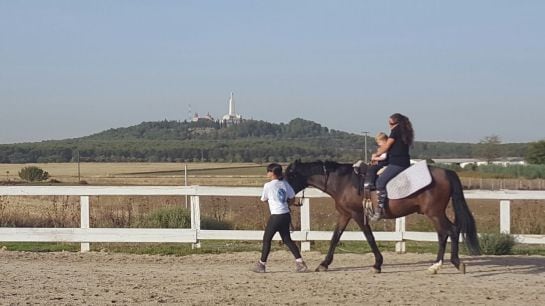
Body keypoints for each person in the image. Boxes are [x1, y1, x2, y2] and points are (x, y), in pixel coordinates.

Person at [253, 163, 308, 273]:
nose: (267, 173)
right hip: (286, 215)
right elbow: (292, 198)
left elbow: (263, 199)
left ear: (272, 173)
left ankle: (262, 264)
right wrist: (286, 204)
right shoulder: (285, 184)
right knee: (287, 239)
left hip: (276, 216)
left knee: (267, 240)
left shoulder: (268, 186)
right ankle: (300, 262)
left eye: (268, 171)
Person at [371, 113, 414, 221]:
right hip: (402, 162)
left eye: (390, 123)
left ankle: (379, 210)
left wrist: (376, 154)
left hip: (397, 163)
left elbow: (387, 146)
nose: (389, 125)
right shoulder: (403, 131)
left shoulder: (396, 131)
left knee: (380, 182)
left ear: (396, 123)